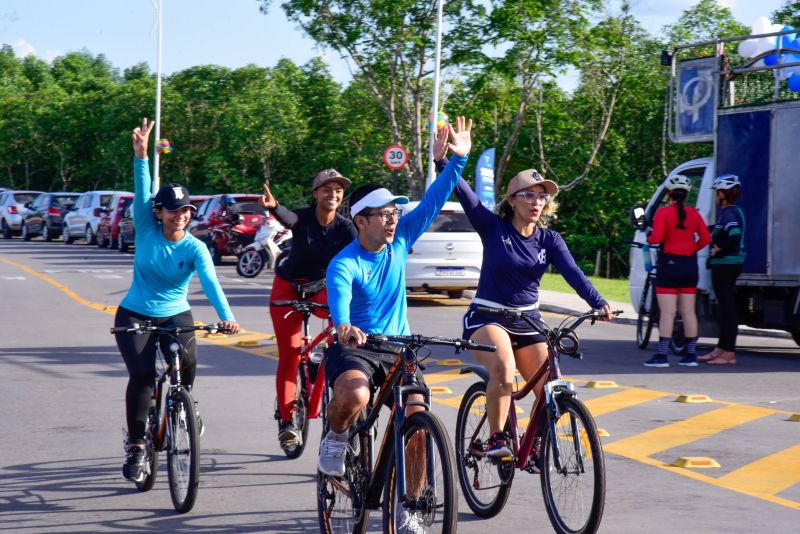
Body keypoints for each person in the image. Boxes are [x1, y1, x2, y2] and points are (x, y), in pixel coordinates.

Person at [317, 117, 473, 487]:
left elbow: (436, 200)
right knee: (355, 393)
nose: (393, 220)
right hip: (356, 347)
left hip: (398, 349)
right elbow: (338, 300)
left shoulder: (400, 237)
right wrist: (343, 325)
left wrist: (458, 160)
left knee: (418, 424)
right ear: (360, 221)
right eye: (385, 214)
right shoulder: (345, 262)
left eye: (395, 213)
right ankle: (337, 436)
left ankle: (413, 507)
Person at [114, 118, 240, 483]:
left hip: (175, 313)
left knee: (187, 365)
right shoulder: (145, 225)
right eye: (173, 210)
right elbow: (141, 189)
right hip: (134, 311)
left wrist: (226, 316)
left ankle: (185, 408)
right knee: (143, 377)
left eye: (186, 210)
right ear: (159, 212)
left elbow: (212, 283)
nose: (181, 215)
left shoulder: (195, 247)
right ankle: (138, 446)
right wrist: (140, 156)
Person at [258, 169, 357, 448]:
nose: (333, 194)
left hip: (322, 287)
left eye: (338, 190)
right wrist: (274, 206)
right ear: (315, 194)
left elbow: (361, 253)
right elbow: (287, 217)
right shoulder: (302, 218)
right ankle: (288, 421)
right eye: (326, 189)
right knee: (289, 355)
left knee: (338, 336)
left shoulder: (345, 227)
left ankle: (317, 364)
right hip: (287, 287)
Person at [643, 175, 711, 368]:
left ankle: (662, 356)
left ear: (670, 194)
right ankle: (690, 356)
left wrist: (649, 236)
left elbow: (655, 238)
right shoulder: (694, 214)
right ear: (686, 195)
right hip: (690, 266)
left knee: (668, 313)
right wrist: (691, 248)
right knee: (688, 312)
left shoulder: (663, 214)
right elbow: (705, 239)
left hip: (669, 266)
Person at [699, 174, 745, 365]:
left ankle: (729, 353)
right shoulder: (730, 213)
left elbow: (734, 236)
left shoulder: (730, 214)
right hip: (726, 265)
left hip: (726, 265)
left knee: (728, 310)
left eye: (717, 194)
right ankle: (721, 348)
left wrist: (718, 252)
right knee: (724, 309)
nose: (716, 197)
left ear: (722, 194)